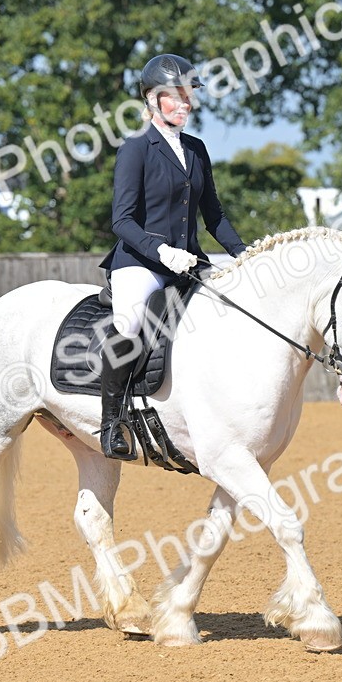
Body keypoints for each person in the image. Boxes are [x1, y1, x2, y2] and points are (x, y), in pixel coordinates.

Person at [97, 53, 248, 460]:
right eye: (176, 96)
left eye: (188, 96)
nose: (186, 104)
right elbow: (122, 220)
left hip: (189, 260)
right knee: (129, 323)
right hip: (141, 262)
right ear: (151, 99)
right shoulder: (135, 149)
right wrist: (160, 250)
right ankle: (111, 421)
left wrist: (244, 254)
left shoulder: (197, 150)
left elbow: (213, 215)